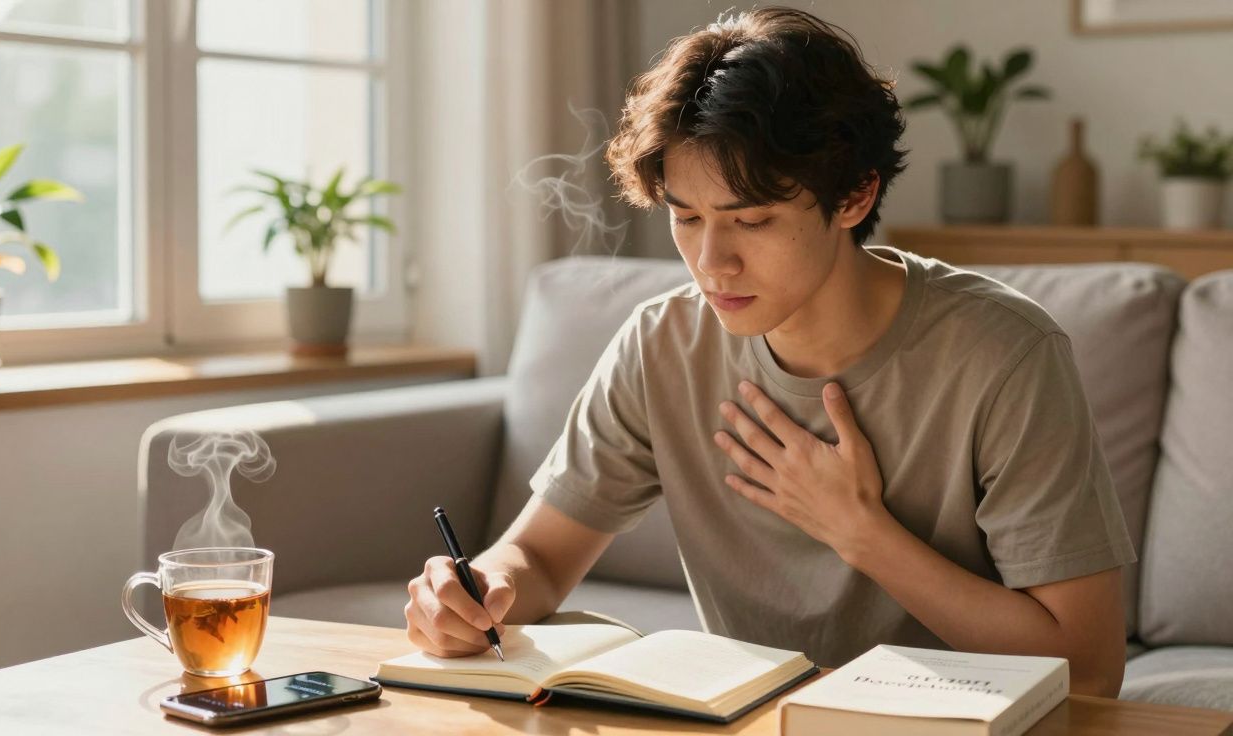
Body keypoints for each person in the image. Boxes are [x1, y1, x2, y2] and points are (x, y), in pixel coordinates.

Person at [403, 5, 1134, 697]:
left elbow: (1092, 669)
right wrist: (472, 594)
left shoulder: (1003, 353)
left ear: (853, 196)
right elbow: (537, 557)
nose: (711, 261)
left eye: (750, 219)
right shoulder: (663, 344)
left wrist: (864, 534)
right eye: (685, 217)